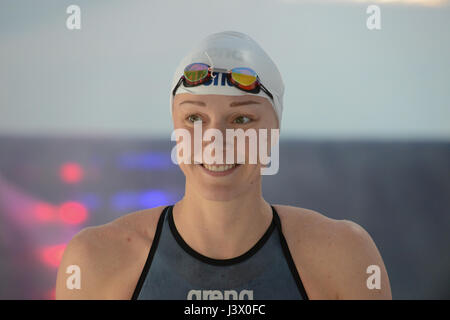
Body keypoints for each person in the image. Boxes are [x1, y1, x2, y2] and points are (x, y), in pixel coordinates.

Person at [56, 31, 392, 300]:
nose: (215, 139)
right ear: (175, 127)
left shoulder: (344, 257)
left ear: (274, 132)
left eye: (242, 118)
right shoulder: (96, 260)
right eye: (195, 117)